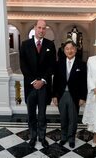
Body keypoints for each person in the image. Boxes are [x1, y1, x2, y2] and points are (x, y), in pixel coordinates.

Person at [19, 20, 56, 149]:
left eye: (44, 28)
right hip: (30, 86)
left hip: (44, 86)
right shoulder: (25, 44)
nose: (41, 30)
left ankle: (42, 136)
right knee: (31, 114)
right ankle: (33, 136)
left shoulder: (50, 45)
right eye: (39, 27)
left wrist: (43, 81)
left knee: (42, 114)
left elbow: (52, 66)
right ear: (35, 28)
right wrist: (34, 81)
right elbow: (23, 66)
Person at [52, 40, 87, 148]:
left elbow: (83, 82)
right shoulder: (59, 63)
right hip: (61, 95)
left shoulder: (81, 64)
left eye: (72, 48)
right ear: (64, 51)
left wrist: (82, 97)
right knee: (63, 118)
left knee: (73, 118)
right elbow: (55, 81)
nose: (69, 51)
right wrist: (54, 95)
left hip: (74, 96)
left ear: (75, 50)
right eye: (67, 49)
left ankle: (71, 138)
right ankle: (63, 137)